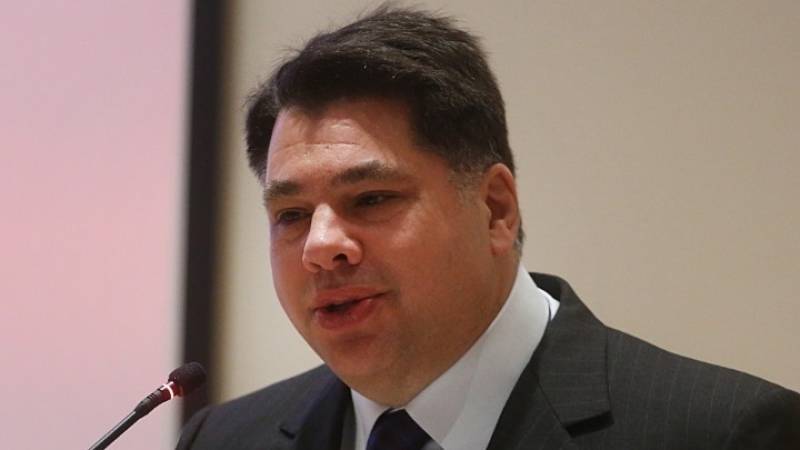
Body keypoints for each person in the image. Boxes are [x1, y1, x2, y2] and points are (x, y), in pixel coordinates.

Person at [177, 5, 800, 449]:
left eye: (370, 199)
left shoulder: (723, 432)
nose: (320, 247)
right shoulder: (224, 439)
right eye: (291, 215)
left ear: (497, 209)